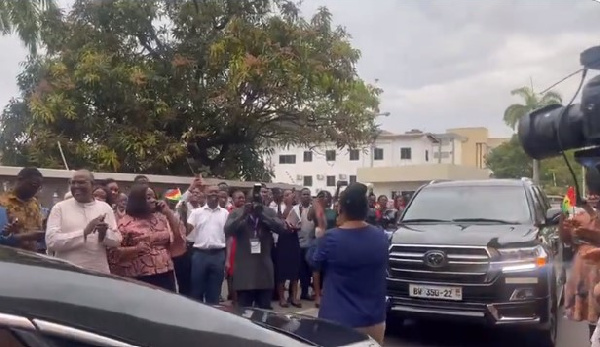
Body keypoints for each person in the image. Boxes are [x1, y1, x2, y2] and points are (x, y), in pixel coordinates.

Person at [311, 183, 389, 345]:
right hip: (375, 321)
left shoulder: (331, 238)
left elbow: (313, 261)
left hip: (338, 322)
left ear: (341, 210)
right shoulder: (381, 236)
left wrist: (321, 231)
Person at [46, 170, 122, 273]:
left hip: (98, 272)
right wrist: (84, 232)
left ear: (92, 185)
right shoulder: (59, 208)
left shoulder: (105, 207)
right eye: (73, 183)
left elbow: (117, 240)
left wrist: (104, 233)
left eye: (81, 182)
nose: (76, 186)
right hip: (68, 272)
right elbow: (51, 241)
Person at [108, 184, 180, 291]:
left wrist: (168, 213)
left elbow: (178, 235)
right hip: (139, 276)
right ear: (138, 200)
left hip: (165, 272)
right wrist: (135, 249)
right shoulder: (125, 223)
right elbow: (112, 253)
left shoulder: (160, 218)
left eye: (153, 197)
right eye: (148, 198)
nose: (153, 200)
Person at [225, 190, 286, 309]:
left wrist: (262, 215)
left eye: (258, 200)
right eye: (253, 200)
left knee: (264, 310)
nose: (255, 203)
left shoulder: (269, 211)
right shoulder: (237, 212)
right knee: (244, 310)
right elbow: (227, 230)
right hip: (244, 270)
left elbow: (280, 229)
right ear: (248, 201)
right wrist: (244, 214)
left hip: (264, 270)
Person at [562, 167, 600, 340]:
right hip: (587, 277)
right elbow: (567, 240)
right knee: (593, 328)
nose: (593, 196)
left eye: (596, 192)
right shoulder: (583, 213)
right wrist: (564, 222)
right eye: (591, 192)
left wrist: (589, 234)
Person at [187, 186, 229, 304]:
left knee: (214, 292)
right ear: (205, 194)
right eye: (211, 191)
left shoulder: (225, 213)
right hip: (200, 255)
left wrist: (227, 259)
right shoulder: (196, 213)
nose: (214, 193)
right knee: (196, 290)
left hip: (218, 255)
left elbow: (229, 236)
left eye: (216, 191)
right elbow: (186, 231)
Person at [0, 167, 46, 251]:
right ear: (20, 179)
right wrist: (26, 236)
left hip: (33, 254)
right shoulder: (2, 202)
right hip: (11, 255)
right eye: (33, 185)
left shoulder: (34, 202)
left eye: (38, 188)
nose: (35, 190)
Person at [275, 189, 302, 308]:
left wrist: (296, 227)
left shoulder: (298, 208)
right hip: (282, 241)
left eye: (290, 194)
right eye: (286, 195)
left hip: (293, 239)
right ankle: (282, 298)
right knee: (281, 272)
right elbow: (282, 218)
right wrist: (289, 204)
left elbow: (299, 224)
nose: (288, 197)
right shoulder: (278, 207)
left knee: (295, 271)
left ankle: (294, 297)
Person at [289, 188, 314, 301]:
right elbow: (289, 224)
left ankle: (305, 293)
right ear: (300, 196)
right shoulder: (295, 209)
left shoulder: (313, 210)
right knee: (295, 271)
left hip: (310, 244)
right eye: (304, 194)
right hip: (297, 244)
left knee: (307, 271)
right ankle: (291, 295)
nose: (306, 196)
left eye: (308, 194)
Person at [225, 189, 246, 304]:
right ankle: (234, 299)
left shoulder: (248, 212)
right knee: (232, 273)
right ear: (232, 200)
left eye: (243, 197)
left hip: (245, 246)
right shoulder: (229, 212)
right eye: (239, 198)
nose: (242, 200)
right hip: (233, 245)